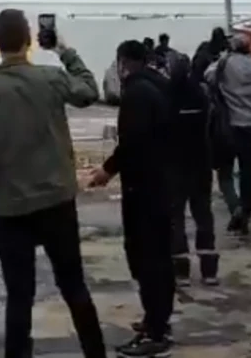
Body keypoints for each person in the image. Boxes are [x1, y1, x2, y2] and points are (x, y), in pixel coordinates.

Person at [0, 8, 106, 358]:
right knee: (74, 286)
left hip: (8, 208)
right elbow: (89, 91)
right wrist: (65, 51)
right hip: (57, 201)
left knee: (19, 295)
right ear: (29, 42)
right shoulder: (51, 78)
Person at [89, 40, 174, 358]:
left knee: (146, 258)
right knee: (158, 257)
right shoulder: (160, 86)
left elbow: (133, 143)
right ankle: (157, 319)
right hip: (162, 183)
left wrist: (107, 171)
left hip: (144, 188)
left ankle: (156, 331)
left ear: (124, 62)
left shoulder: (137, 94)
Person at [206, 32, 251, 236]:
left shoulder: (224, 64)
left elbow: (207, 76)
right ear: (250, 49)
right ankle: (245, 214)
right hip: (250, 128)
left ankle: (235, 208)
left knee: (225, 173)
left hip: (227, 127)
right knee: (248, 175)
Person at [168, 53, 219, 287]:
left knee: (175, 218)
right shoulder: (201, 95)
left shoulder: (166, 96)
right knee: (203, 215)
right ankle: (209, 270)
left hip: (176, 164)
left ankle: (181, 271)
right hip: (201, 162)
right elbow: (211, 124)